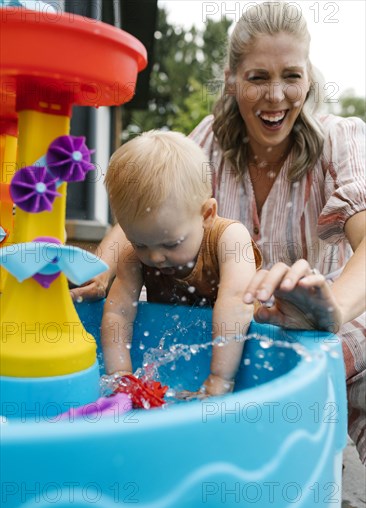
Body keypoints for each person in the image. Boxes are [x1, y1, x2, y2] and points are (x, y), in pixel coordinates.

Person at [71, 3, 365, 464]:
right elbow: (147, 206)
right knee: (238, 462)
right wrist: (102, 265)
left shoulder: (339, 141)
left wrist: (334, 310)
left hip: (327, 335)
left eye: (291, 75)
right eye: (257, 78)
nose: (276, 96)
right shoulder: (207, 140)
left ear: (309, 76)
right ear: (231, 78)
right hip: (234, 341)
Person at [101, 130, 261, 396]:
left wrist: (219, 379)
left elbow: (236, 306)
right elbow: (118, 313)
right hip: (179, 350)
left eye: (171, 244)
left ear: (207, 214)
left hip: (239, 351)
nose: (154, 257)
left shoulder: (229, 239)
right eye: (140, 243)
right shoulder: (133, 255)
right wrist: (120, 375)